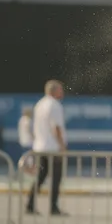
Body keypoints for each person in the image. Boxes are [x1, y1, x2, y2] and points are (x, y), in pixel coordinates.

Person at [27, 80, 66, 216]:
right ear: (54, 91)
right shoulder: (55, 105)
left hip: (40, 146)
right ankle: (53, 207)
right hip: (52, 148)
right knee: (56, 177)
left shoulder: (39, 104)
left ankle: (30, 205)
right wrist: (62, 146)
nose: (62, 92)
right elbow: (56, 128)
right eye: (60, 89)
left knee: (40, 177)